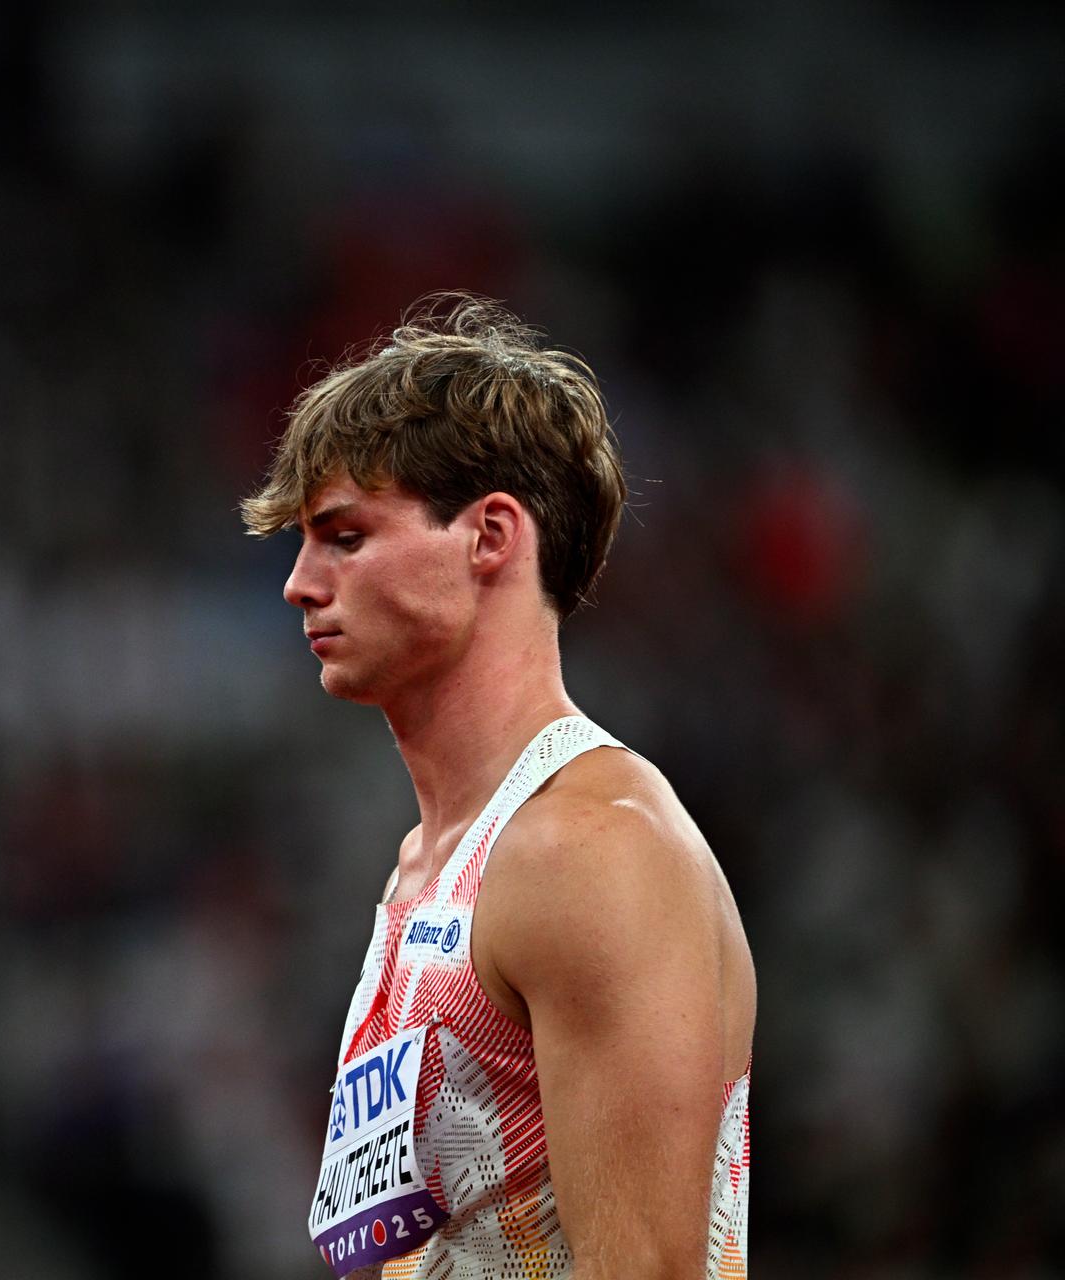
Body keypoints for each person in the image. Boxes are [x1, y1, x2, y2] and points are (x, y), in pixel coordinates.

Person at [242, 295, 754, 1278]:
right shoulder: (422, 869)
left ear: (490, 537)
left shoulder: (593, 847)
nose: (299, 582)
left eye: (344, 536)